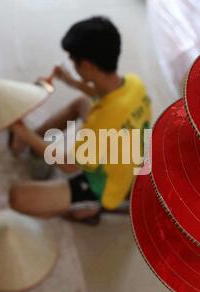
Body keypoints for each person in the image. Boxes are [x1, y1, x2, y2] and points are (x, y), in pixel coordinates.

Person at [9, 16, 152, 225]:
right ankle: (32, 143)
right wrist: (71, 81)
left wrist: (25, 133)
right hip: (129, 156)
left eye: (73, 60)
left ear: (86, 65)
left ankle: (89, 206)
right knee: (81, 103)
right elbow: (101, 93)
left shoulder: (101, 123)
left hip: (105, 185)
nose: (72, 64)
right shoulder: (134, 83)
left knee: (17, 197)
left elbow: (69, 165)